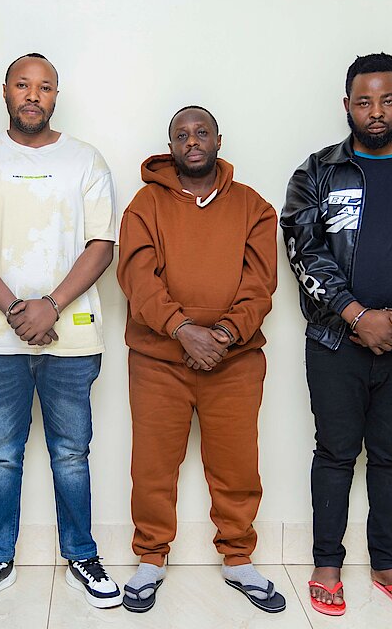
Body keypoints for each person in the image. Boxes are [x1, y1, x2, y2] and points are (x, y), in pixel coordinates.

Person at [281, 52, 392, 619]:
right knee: (334, 453)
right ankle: (327, 564)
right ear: (347, 105)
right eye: (364, 102)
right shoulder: (315, 173)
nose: (376, 112)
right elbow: (303, 249)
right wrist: (357, 315)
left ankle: (387, 564)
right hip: (335, 342)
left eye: (387, 100)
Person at [0, 52, 122, 609]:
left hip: (72, 335)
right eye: (23, 85)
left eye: (44, 87)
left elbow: (102, 246)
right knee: (1, 452)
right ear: (5, 91)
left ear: (55, 97)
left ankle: (82, 555)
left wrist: (50, 306)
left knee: (72, 452)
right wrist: (19, 310)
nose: (33, 95)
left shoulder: (86, 161)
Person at [116, 106, 285, 614]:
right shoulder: (144, 205)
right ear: (170, 146)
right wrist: (183, 331)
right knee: (152, 466)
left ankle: (238, 559)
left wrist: (223, 335)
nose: (192, 141)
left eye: (201, 132)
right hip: (158, 361)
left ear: (218, 140)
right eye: (181, 135)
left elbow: (260, 285)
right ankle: (150, 558)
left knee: (237, 466)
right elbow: (137, 279)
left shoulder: (254, 207)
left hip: (234, 362)